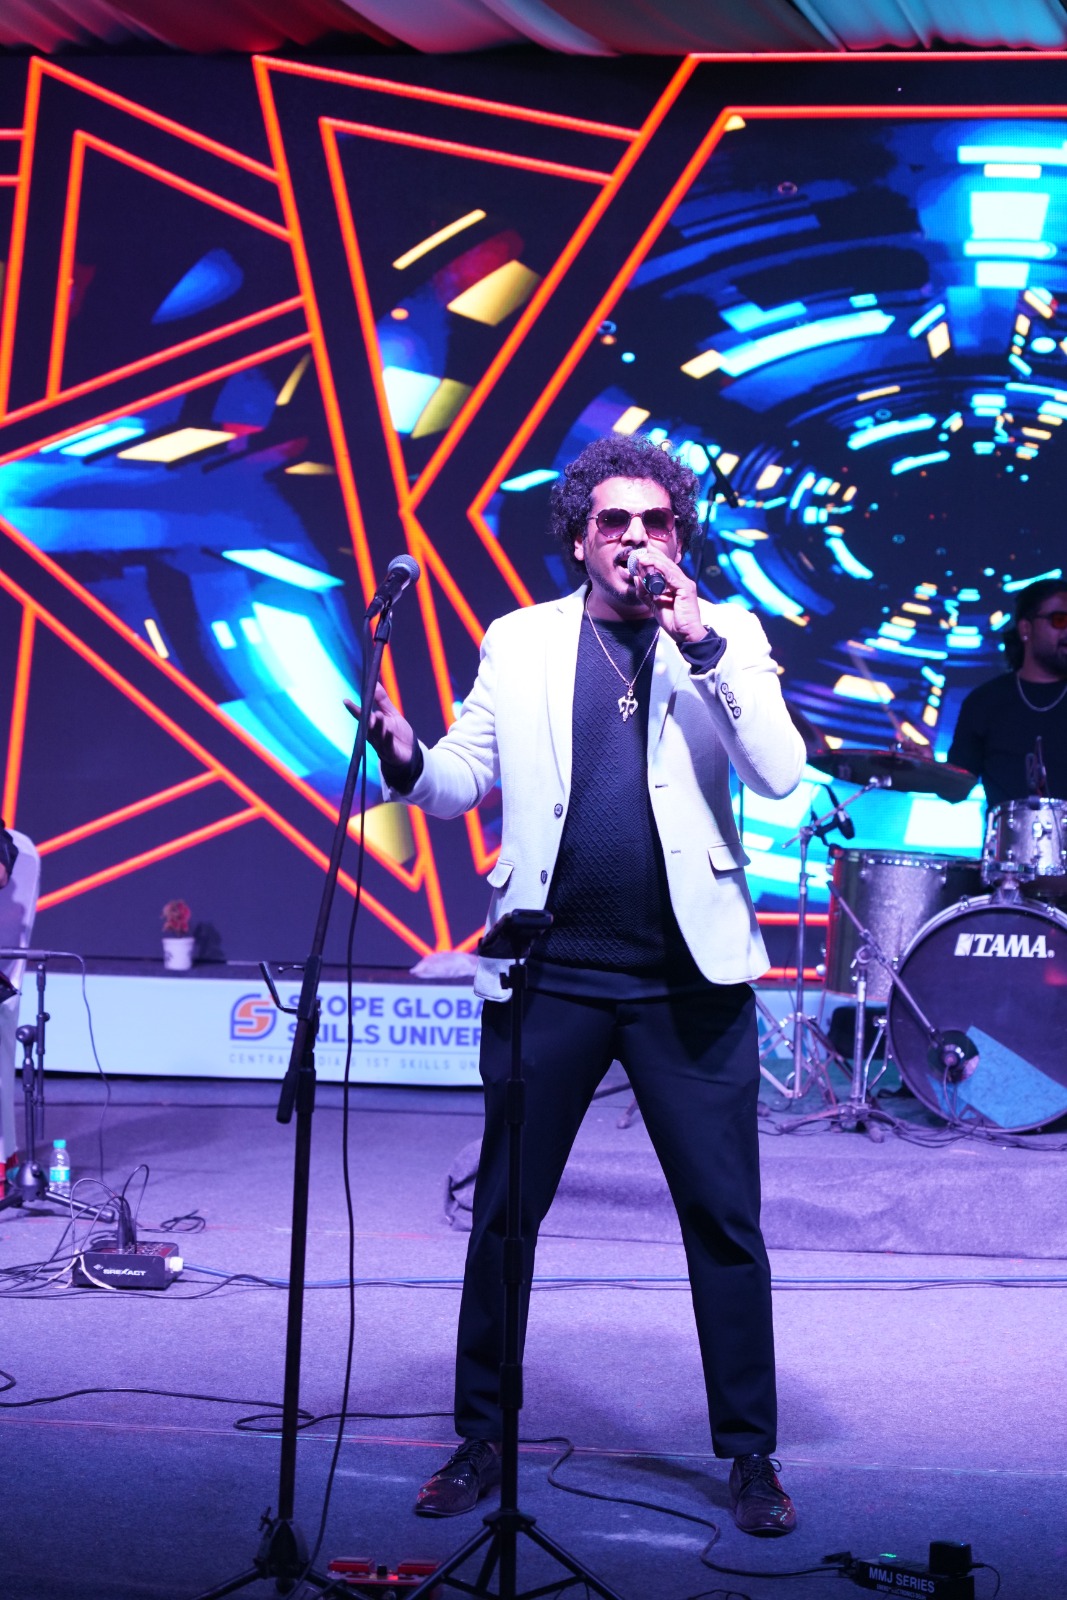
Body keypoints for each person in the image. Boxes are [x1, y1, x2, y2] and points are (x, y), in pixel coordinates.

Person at [367, 434, 806, 1537]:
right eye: (613, 522)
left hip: (686, 982)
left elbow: (780, 774)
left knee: (723, 1220)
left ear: (679, 537)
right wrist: (407, 756)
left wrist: (699, 639)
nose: (635, 539)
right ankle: (480, 1435)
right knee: (505, 1215)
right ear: (579, 539)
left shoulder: (727, 635)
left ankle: (749, 1454)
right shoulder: (519, 640)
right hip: (549, 973)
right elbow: (465, 776)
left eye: (655, 522)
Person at [948, 577, 1067, 806]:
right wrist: (929, 768)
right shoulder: (985, 701)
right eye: (1060, 620)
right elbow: (955, 791)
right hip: (1008, 830)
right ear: (1026, 629)